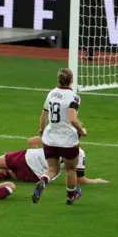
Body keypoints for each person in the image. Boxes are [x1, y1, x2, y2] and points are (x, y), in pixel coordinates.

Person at [0, 137, 109, 185]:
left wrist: (40, 140)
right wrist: (96, 181)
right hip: (34, 175)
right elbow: (79, 178)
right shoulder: (81, 153)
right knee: (13, 174)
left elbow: (30, 140)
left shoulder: (55, 138)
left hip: (27, 156)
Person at [31, 68, 87, 205]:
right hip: (67, 140)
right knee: (70, 169)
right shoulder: (74, 97)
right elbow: (73, 119)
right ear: (71, 80)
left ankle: (43, 181)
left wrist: (42, 129)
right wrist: (82, 129)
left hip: (50, 138)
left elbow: (44, 114)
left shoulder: (51, 94)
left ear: (58, 80)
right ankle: (70, 198)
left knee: (52, 169)